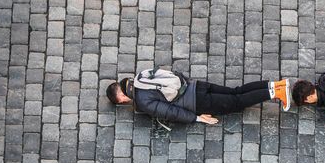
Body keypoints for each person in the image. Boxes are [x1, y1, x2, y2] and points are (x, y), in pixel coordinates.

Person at [106, 68, 291, 125]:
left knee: (237, 103)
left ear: (121, 99)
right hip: (196, 85)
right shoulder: (140, 76)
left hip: (197, 102)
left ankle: (275, 93)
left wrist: (197, 118)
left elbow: (169, 111)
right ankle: (276, 84)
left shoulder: (142, 101)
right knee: (236, 91)